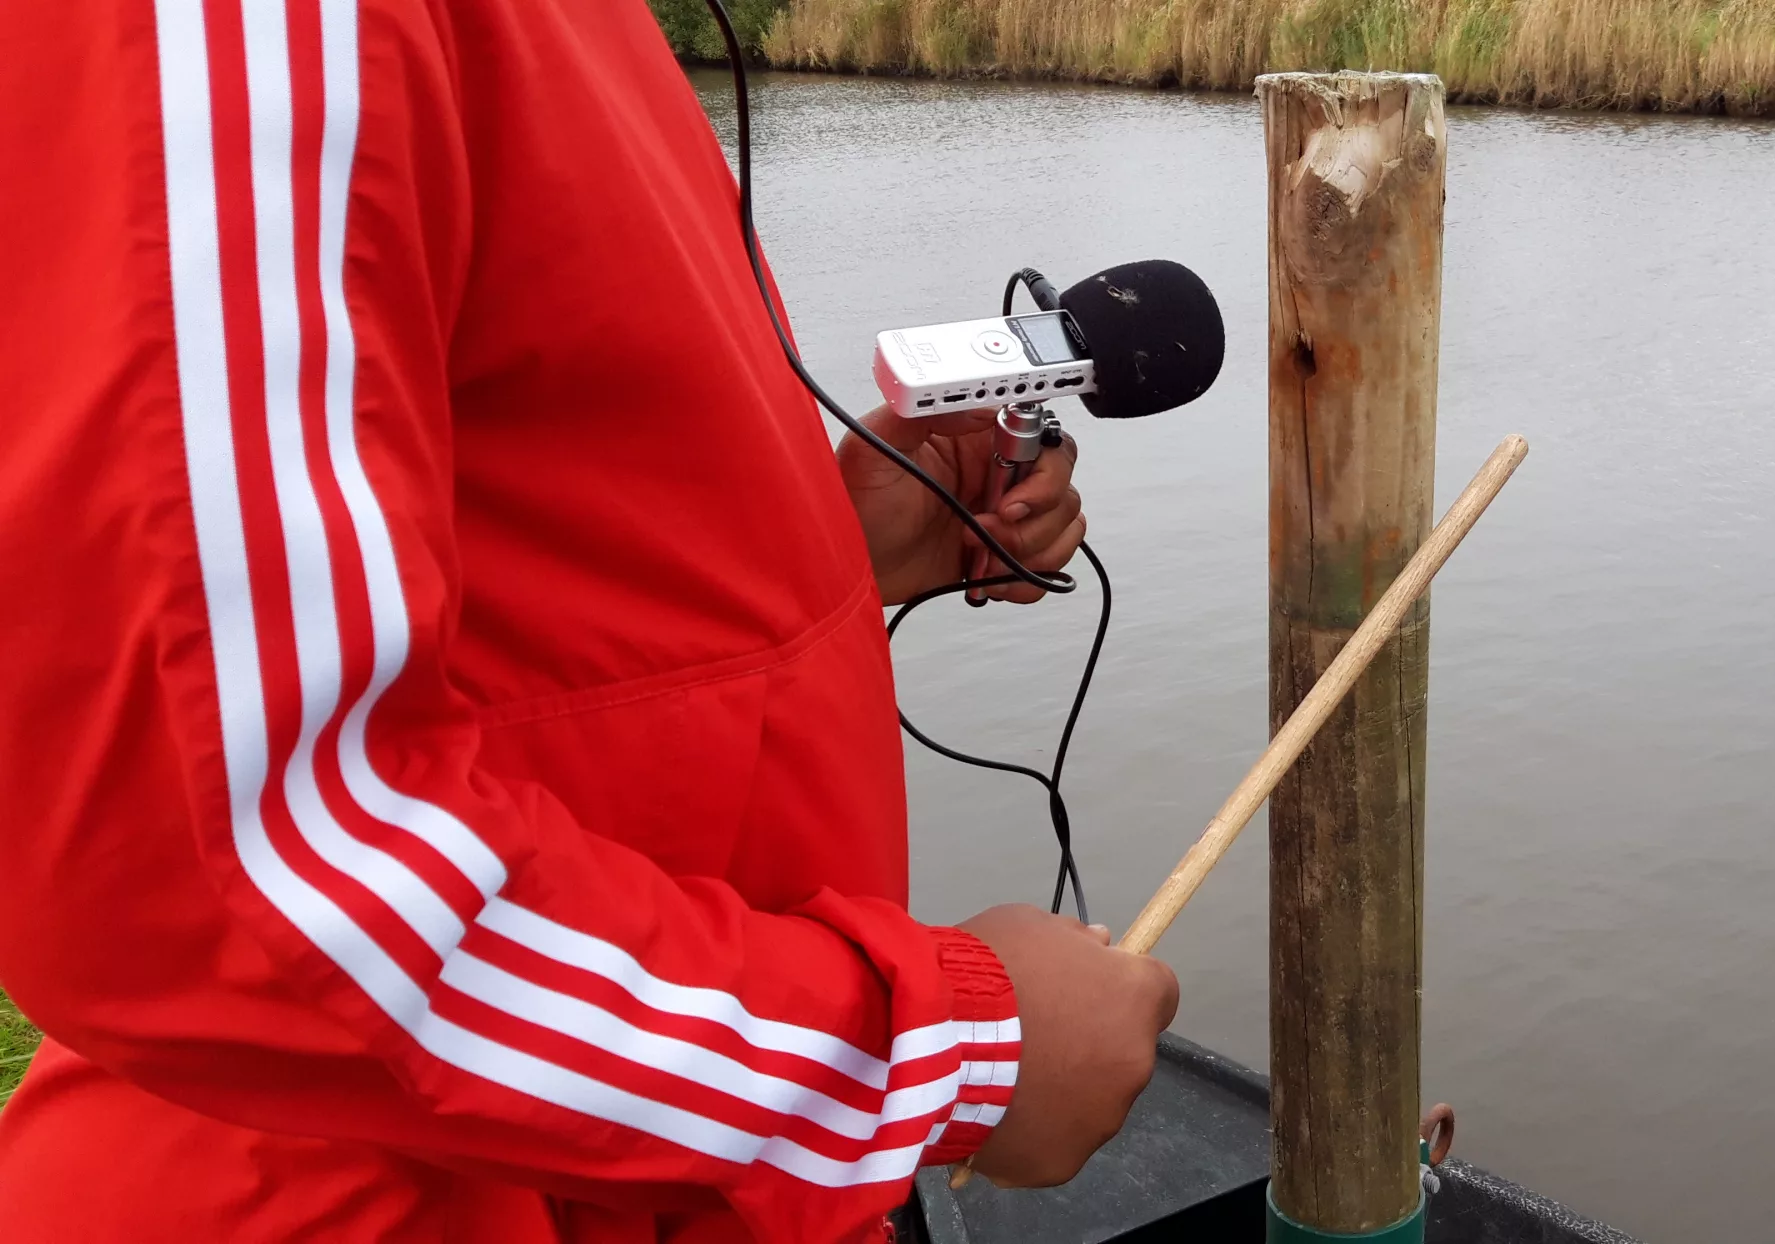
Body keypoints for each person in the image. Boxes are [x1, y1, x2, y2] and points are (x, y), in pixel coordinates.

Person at [0, 0, 1181, 1237]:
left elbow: (499, 549)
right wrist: (917, 1053)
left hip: (646, 1174)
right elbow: (208, 870)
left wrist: (819, 556)